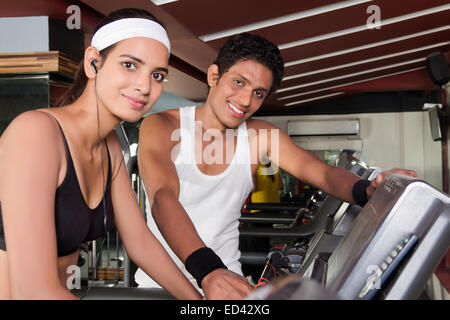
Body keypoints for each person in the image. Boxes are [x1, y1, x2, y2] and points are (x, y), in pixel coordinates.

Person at [136, 32, 418, 299]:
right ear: (213, 76)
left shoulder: (261, 136)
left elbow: (324, 174)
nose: (246, 100)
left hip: (230, 284)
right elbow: (163, 198)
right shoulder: (161, 125)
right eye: (238, 82)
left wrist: (367, 190)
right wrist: (208, 270)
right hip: (161, 285)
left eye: (259, 93)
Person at [0, 8, 201, 300]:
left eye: (157, 75)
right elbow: (33, 289)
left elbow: (140, 243)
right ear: (94, 62)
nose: (144, 86)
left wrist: (199, 302)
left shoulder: (110, 147)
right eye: (130, 65)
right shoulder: (36, 133)